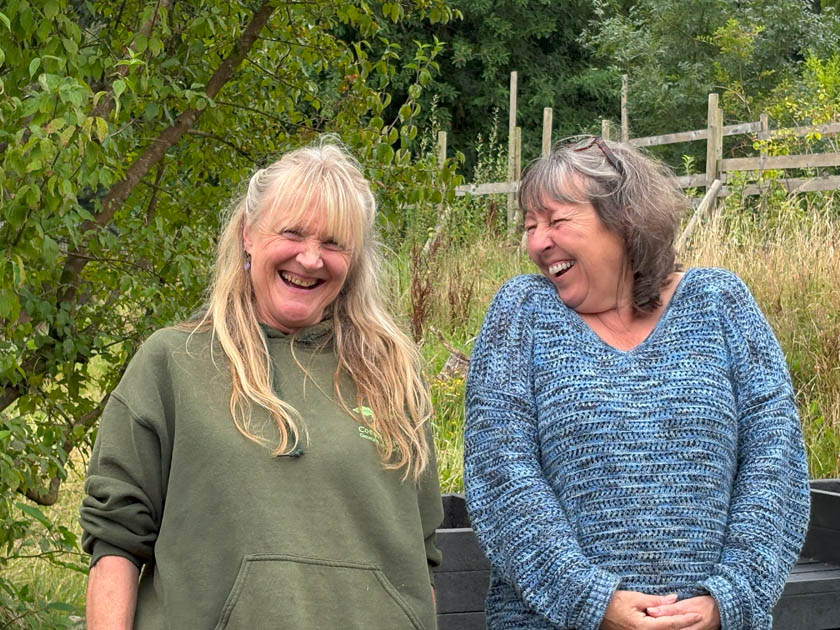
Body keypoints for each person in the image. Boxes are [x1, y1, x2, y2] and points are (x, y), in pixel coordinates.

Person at [80, 139, 443, 630]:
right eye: (292, 232)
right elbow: (115, 542)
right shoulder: (173, 363)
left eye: (333, 243)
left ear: (355, 259)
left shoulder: (393, 376)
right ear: (248, 234)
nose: (310, 259)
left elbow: (419, 556)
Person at [464, 136, 810, 630]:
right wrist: (591, 601)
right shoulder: (522, 312)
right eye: (530, 226)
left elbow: (774, 459)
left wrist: (731, 598)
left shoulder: (719, 302)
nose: (537, 243)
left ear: (625, 218)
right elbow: (501, 472)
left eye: (556, 221)